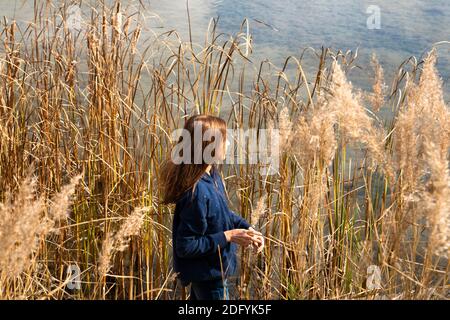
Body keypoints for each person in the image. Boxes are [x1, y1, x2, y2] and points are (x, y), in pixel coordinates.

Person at [159, 114, 264, 300]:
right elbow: (185, 246)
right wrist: (228, 236)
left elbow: (221, 215)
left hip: (212, 272)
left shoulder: (211, 173)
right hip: (209, 277)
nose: (228, 144)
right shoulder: (197, 193)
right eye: (224, 140)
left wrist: (247, 228)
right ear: (208, 147)